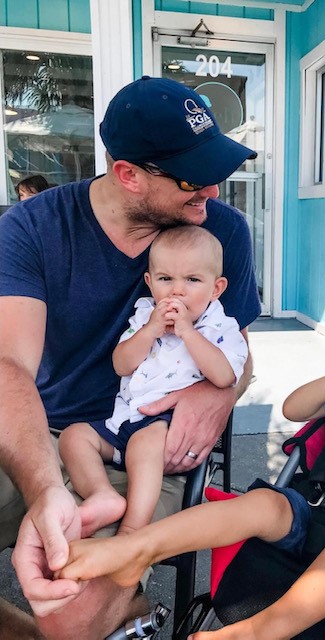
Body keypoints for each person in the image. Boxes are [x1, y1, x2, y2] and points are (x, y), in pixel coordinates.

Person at [57, 236, 325, 640]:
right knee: (267, 501)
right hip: (322, 511)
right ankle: (137, 548)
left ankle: (255, 633)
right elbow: (294, 410)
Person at [0, 75, 260, 639]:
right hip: (34, 427)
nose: (212, 193)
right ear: (129, 176)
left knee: (67, 611)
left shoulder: (221, 232)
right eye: (194, 178)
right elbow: (9, 369)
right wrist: (46, 485)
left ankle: (115, 604)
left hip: (144, 435)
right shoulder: (31, 228)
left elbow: (240, 353)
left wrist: (216, 391)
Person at [59, 225, 248, 537]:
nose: (177, 291)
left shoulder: (220, 327)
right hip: (125, 418)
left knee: (144, 447)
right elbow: (121, 364)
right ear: (149, 282)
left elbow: (224, 375)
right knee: (74, 437)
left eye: (192, 280)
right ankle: (101, 494)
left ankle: (132, 528)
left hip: (168, 426)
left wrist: (188, 331)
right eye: (165, 279)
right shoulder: (144, 315)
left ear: (216, 288)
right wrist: (149, 331)